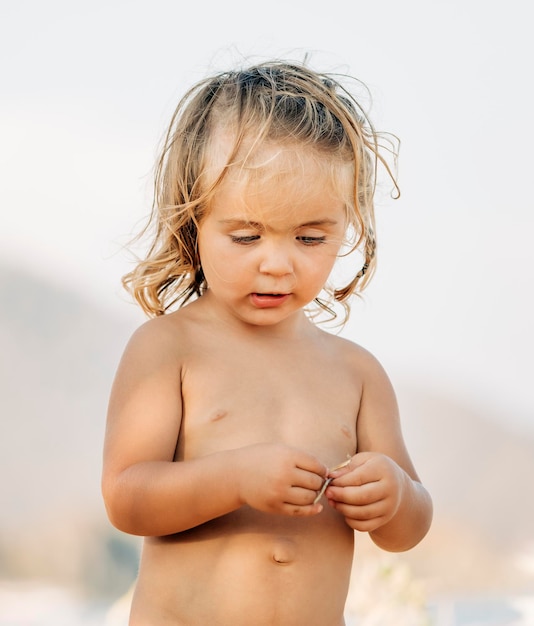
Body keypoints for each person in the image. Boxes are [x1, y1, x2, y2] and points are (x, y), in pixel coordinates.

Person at [101, 59, 433, 626]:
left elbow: (408, 529)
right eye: (246, 235)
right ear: (194, 219)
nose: (277, 264)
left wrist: (395, 495)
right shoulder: (169, 349)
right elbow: (127, 498)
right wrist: (235, 479)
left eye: (310, 236)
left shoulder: (357, 372)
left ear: (347, 224)